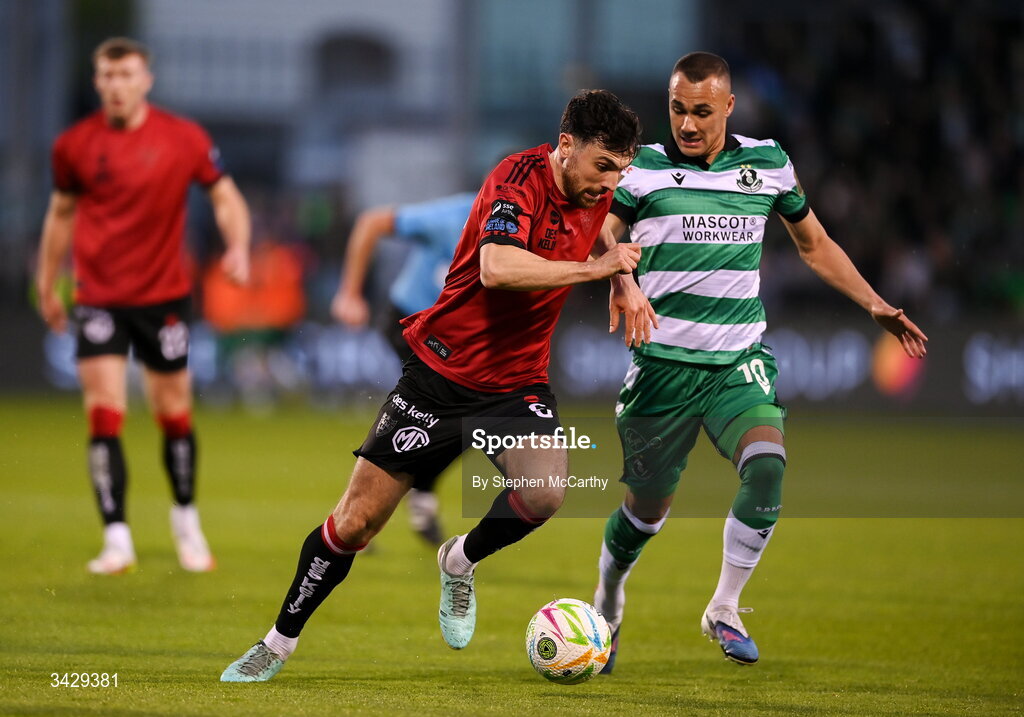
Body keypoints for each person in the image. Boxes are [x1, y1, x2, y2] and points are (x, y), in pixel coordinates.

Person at [221, 89, 650, 682]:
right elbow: (496, 269)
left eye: (621, 171)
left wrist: (622, 283)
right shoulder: (515, 179)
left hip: (515, 382)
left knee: (547, 492)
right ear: (567, 145)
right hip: (439, 376)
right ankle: (276, 642)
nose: (610, 183)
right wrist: (598, 270)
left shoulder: (594, 189)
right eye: (603, 167)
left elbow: (601, 219)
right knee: (355, 524)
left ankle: (459, 561)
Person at [592, 52, 928, 669]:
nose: (687, 125)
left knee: (767, 464)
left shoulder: (768, 164)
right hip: (662, 368)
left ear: (727, 106)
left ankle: (723, 606)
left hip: (735, 362)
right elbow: (604, 234)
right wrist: (622, 280)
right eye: (676, 110)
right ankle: (608, 602)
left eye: (700, 111)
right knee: (645, 513)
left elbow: (815, 245)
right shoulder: (641, 170)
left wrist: (875, 303)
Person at [34, 37, 251, 575]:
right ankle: (117, 537)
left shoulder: (183, 138)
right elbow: (60, 215)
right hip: (99, 297)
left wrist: (240, 245)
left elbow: (224, 196)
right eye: (106, 76)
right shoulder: (74, 145)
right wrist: (46, 282)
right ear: (96, 81)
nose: (116, 85)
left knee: (173, 413)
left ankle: (185, 522)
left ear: (146, 79)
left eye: (126, 74)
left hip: (164, 296)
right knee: (104, 411)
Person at [330, 191, 476, 545]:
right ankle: (364, 510)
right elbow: (371, 223)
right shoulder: (453, 215)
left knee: (468, 417)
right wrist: (350, 292)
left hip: (451, 338)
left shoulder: (529, 228)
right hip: (409, 321)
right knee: (454, 410)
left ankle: (385, 501)